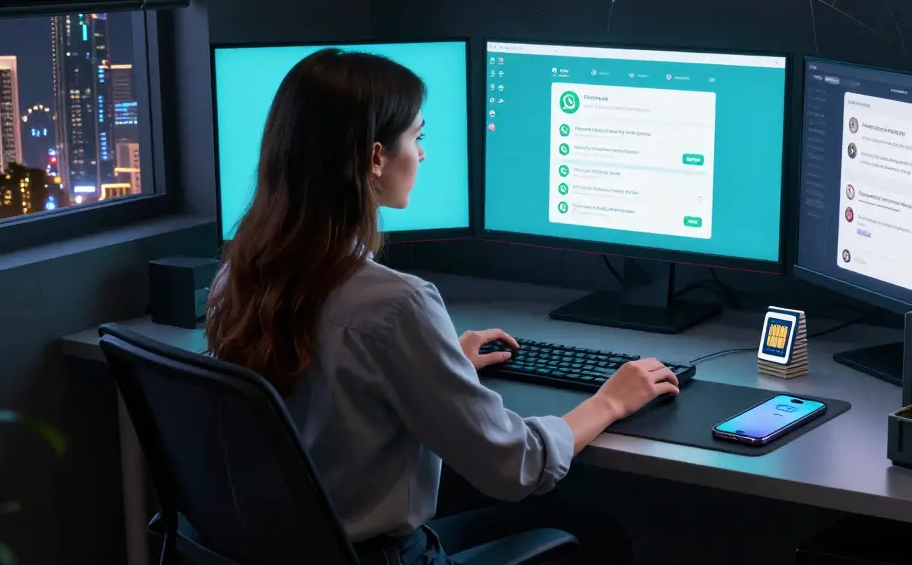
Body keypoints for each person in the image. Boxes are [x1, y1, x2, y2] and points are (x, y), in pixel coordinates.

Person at [206, 49, 678, 564]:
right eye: (417, 137)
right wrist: (611, 401)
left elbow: (330, 392)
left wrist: (437, 363)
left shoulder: (238, 278)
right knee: (598, 534)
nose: (423, 154)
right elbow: (516, 465)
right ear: (376, 158)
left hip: (290, 552)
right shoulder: (396, 305)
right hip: (385, 559)